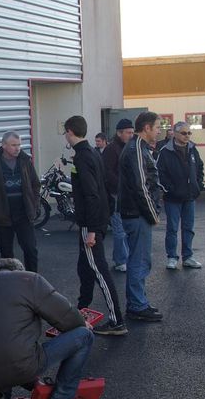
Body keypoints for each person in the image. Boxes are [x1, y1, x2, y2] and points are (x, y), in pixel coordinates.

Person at [0, 258, 94, 399]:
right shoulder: (28, 280)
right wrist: (81, 322)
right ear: (19, 270)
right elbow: (65, 315)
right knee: (84, 336)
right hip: (20, 362)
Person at [64, 116, 126, 335]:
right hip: (96, 219)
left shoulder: (82, 157)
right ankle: (81, 310)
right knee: (85, 268)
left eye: (65, 133)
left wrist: (91, 229)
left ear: (70, 132)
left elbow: (91, 194)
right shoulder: (92, 152)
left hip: (90, 223)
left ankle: (117, 320)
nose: (65, 136)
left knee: (99, 270)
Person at [118, 111, 163, 322]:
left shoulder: (140, 148)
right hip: (136, 214)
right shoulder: (136, 149)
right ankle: (137, 305)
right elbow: (141, 186)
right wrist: (153, 214)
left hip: (137, 213)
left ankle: (139, 302)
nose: (159, 131)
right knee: (139, 260)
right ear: (146, 128)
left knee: (142, 259)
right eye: (157, 127)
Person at [0, 131, 41, 272]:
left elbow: (35, 184)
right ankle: (9, 284)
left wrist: (34, 204)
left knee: (30, 250)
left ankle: (32, 280)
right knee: (6, 256)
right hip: (2, 215)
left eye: (19, 145)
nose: (17, 148)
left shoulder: (25, 162)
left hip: (23, 213)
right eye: (13, 145)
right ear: (4, 145)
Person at [156, 121, 205, 269]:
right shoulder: (165, 151)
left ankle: (188, 256)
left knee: (188, 227)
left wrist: (198, 186)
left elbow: (200, 168)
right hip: (172, 198)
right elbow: (159, 173)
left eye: (189, 133)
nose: (187, 136)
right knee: (172, 228)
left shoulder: (193, 149)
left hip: (190, 196)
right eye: (184, 133)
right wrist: (169, 189)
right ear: (175, 134)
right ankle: (172, 257)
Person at [102, 119, 135, 272]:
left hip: (127, 194)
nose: (131, 134)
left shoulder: (130, 147)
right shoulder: (111, 149)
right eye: (128, 132)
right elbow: (108, 173)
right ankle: (121, 260)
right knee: (119, 230)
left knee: (126, 229)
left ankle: (121, 258)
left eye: (132, 132)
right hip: (116, 194)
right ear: (119, 133)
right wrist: (122, 186)